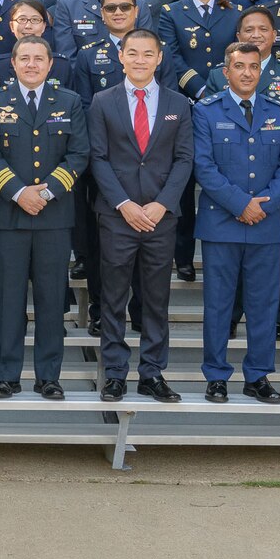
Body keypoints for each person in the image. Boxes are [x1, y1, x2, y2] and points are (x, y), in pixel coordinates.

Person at [0, 36, 90, 400]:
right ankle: (6, 376)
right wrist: (19, 192)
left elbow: (79, 154)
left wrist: (45, 192)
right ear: (13, 63)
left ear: (50, 64)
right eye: (24, 58)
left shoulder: (69, 102)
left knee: (51, 301)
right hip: (9, 217)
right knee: (8, 300)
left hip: (54, 218)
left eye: (38, 58)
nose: (31, 65)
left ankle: (49, 377)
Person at [88, 29, 194, 402]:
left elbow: (184, 159)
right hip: (118, 216)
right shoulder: (103, 101)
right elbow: (97, 158)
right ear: (121, 57)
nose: (139, 60)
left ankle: (152, 373)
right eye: (132, 53)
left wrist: (162, 203)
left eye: (147, 54)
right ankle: (115, 373)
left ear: (159, 58)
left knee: (155, 298)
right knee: (113, 298)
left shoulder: (178, 104)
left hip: (160, 217)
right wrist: (124, 204)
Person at [193, 41, 280, 404]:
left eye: (253, 67)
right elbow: (204, 167)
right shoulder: (206, 111)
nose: (247, 73)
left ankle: (258, 376)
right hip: (222, 223)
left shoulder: (279, 112)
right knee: (219, 304)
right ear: (227, 71)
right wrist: (241, 204)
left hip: (265, 225)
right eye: (239, 66)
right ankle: (217, 376)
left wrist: (263, 207)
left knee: (263, 304)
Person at [0, 0, 83, 96]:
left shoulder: (62, 65)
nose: (28, 26)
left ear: (44, 26)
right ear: (12, 26)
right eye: (22, 19)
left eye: (35, 20)